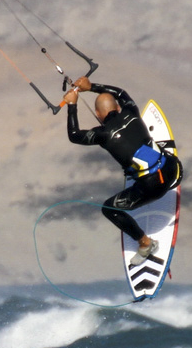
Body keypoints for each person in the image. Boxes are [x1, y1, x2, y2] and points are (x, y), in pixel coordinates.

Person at [63, 75, 182, 265]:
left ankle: (146, 244)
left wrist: (72, 105)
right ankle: (159, 168)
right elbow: (120, 92)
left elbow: (74, 135)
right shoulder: (131, 111)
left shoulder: (103, 134)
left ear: (98, 114)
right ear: (118, 108)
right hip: (174, 169)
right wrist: (91, 86)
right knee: (149, 149)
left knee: (108, 209)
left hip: (154, 188)